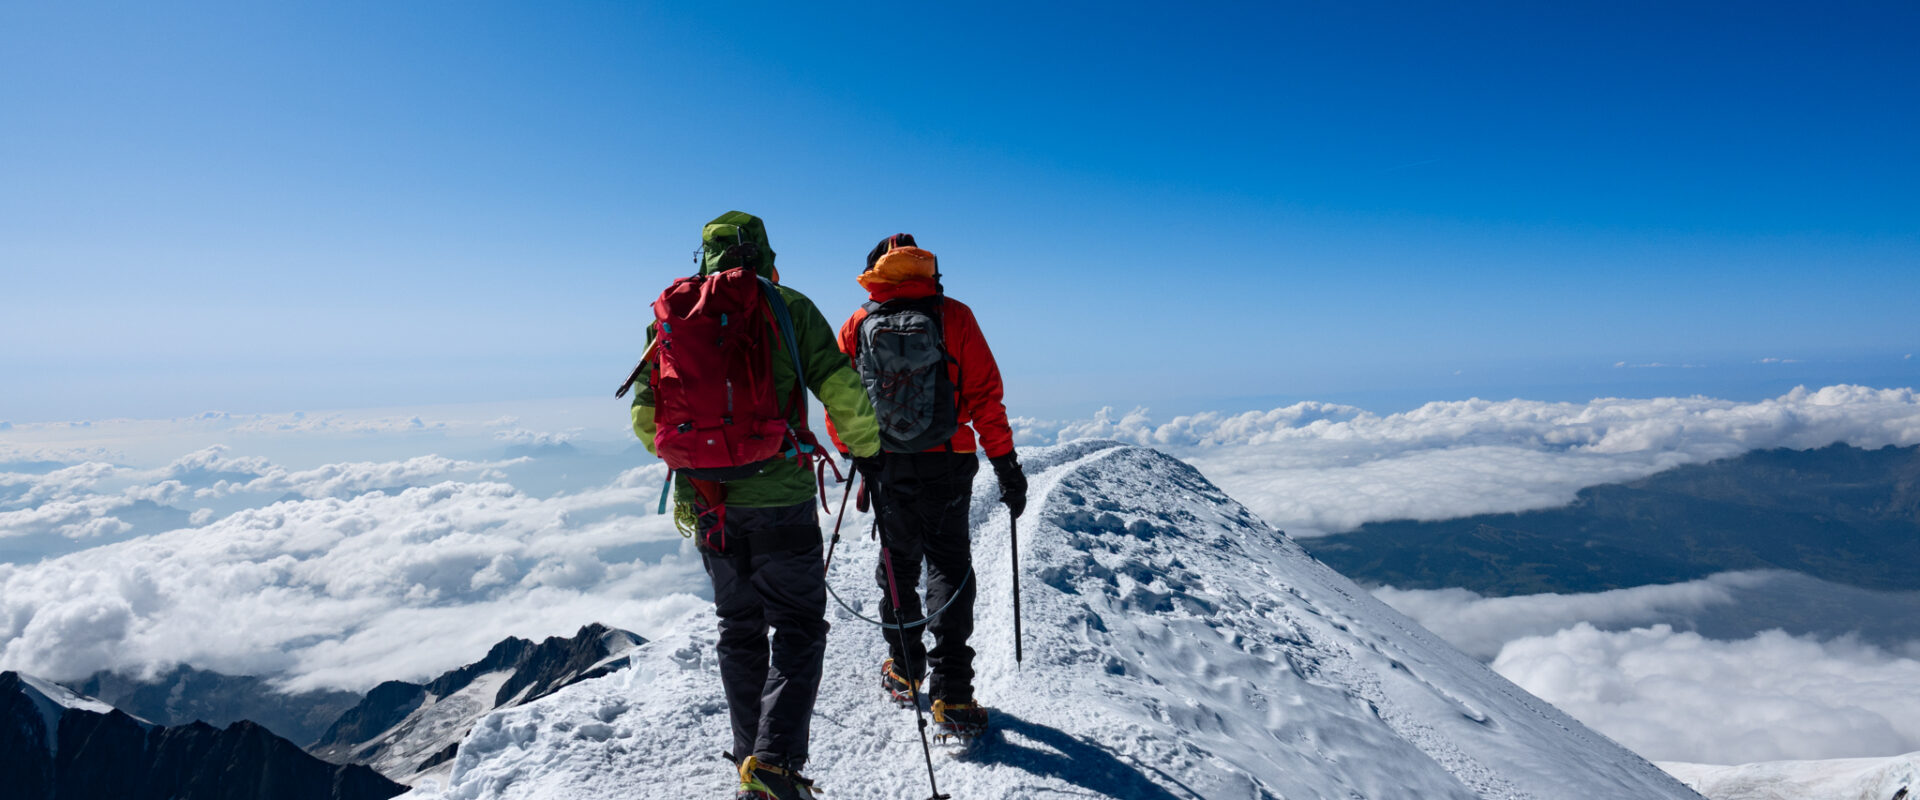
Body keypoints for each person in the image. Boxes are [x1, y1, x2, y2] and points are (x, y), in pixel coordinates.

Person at [629, 212, 880, 800]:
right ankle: (774, 764)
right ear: (767, 252)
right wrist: (871, 451)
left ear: (705, 256)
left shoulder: (672, 316)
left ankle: (751, 761)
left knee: (738, 628)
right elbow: (839, 386)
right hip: (782, 498)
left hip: (709, 504)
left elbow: (647, 418)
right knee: (797, 626)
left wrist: (701, 460)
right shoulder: (788, 306)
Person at [826, 233, 1027, 739]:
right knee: (949, 565)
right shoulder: (954, 317)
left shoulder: (858, 323)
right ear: (927, 271)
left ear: (876, 273)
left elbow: (839, 401)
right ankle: (954, 693)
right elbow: (985, 396)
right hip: (948, 462)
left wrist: (857, 452)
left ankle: (905, 666)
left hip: (887, 464)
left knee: (898, 563)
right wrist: (1006, 465)